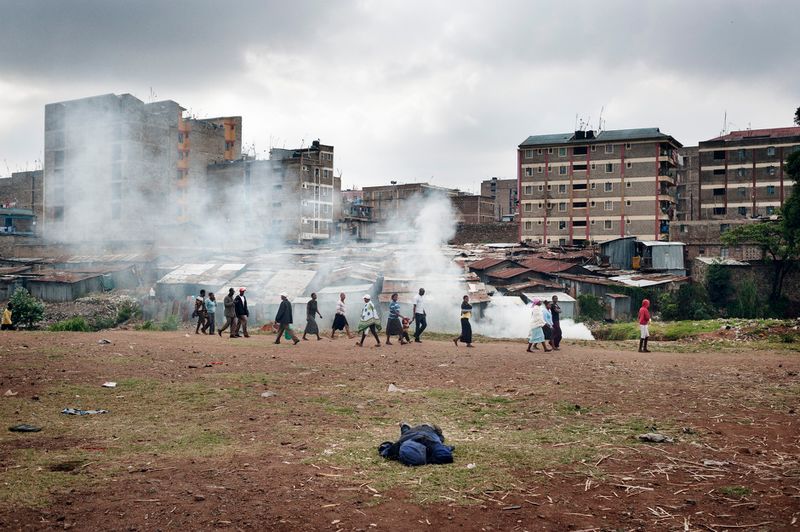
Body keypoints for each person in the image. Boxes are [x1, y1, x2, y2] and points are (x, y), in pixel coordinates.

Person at [378, 423, 454, 466]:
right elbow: (446, 456)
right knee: (439, 438)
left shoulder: (397, 448)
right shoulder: (398, 448)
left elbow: (383, 448)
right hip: (424, 434)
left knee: (406, 432)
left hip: (421, 434)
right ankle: (405, 426)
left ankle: (405, 426)